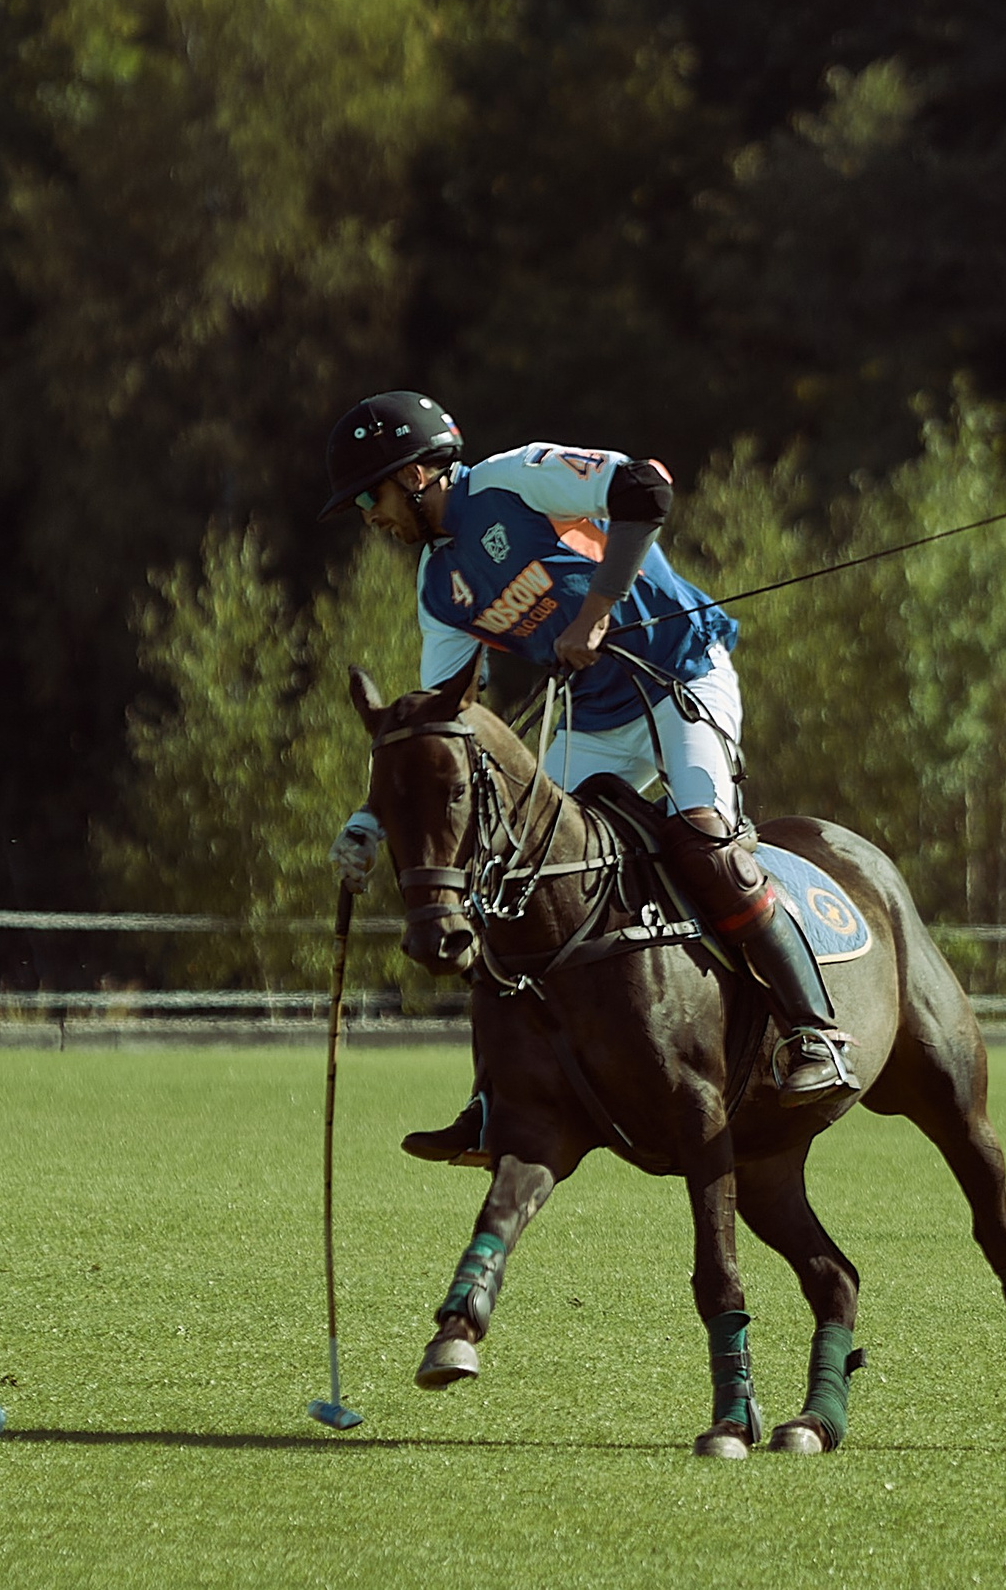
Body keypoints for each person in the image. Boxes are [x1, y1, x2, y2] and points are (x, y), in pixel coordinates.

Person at [318, 391, 854, 1157]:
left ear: (416, 474)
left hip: (678, 677)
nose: (369, 516)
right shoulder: (441, 590)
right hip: (593, 719)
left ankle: (817, 1032)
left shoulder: (513, 480)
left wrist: (597, 607)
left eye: (370, 496)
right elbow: (440, 721)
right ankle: (491, 1098)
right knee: (514, 880)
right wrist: (371, 817)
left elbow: (646, 487)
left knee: (707, 843)